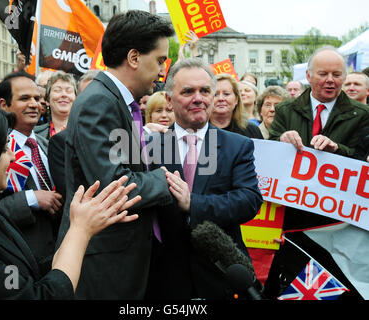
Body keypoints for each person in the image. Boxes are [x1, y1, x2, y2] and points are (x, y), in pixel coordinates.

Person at [0, 99, 140, 299]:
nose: (12, 157)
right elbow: (42, 295)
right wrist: (80, 231)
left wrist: (84, 226)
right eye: (3, 149)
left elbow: (29, 272)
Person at [55, 10, 175, 300]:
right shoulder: (100, 102)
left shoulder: (114, 101)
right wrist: (164, 180)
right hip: (105, 262)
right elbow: (114, 184)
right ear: (134, 58)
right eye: (160, 60)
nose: (162, 71)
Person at [147, 58, 263, 299]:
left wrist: (194, 204)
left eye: (205, 91)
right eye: (188, 91)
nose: (198, 98)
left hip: (220, 275)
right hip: (163, 278)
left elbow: (249, 200)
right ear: (169, 100)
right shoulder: (149, 148)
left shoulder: (238, 146)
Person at [266, 46, 369, 300]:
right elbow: (269, 156)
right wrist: (281, 139)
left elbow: (361, 160)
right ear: (309, 76)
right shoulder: (286, 110)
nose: (330, 80)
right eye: (323, 74)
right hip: (294, 221)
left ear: (344, 77)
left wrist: (337, 150)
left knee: (337, 290)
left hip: (338, 225)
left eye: (337, 74)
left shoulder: (362, 115)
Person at [0, 71, 63, 271]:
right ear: (3, 104)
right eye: (24, 98)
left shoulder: (48, 145)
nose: (34, 104)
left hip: (56, 256)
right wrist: (31, 199)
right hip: (18, 261)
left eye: (37, 98)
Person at [210, 73, 263, 139]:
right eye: (215, 94)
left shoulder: (250, 130)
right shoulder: (200, 129)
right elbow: (211, 148)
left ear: (236, 99)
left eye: (226, 94)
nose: (221, 98)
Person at [35, 71, 77, 139]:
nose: (64, 94)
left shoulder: (87, 133)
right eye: (57, 90)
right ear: (48, 100)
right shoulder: (34, 135)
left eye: (69, 91)